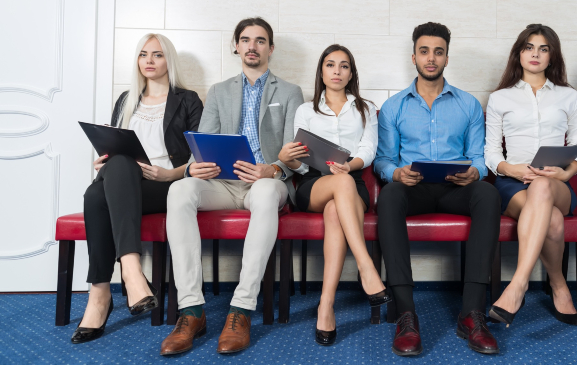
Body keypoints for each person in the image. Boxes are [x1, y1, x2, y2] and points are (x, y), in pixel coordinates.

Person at [160, 17, 304, 355]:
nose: (252, 46)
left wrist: (272, 169)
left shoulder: (290, 92)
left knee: (267, 191)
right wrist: (199, 164)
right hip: (224, 182)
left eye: (260, 40)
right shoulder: (219, 91)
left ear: (270, 48)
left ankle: (241, 309)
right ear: (236, 46)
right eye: (245, 40)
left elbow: (294, 151)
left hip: (267, 183)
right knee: (179, 190)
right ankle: (192, 310)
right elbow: (204, 142)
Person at [374, 22, 502, 356]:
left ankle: (471, 314)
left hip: (454, 188)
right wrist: (396, 173)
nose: (431, 58)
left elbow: (478, 157)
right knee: (388, 196)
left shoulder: (468, 105)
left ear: (447, 57)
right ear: (413, 56)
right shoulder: (394, 107)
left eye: (439, 51)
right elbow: (383, 160)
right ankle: (405, 312)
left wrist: (475, 172)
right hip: (413, 189)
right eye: (424, 51)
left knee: (489, 193)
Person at [71, 33, 202, 344]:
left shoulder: (188, 99)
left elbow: (201, 157)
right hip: (125, 182)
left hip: (166, 185)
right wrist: (105, 162)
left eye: (157, 55)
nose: (149, 61)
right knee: (112, 171)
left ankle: (102, 294)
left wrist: (169, 173)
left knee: (94, 196)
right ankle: (128, 273)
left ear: (168, 60)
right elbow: (116, 146)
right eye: (143, 55)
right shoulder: (126, 100)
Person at [278, 44, 390, 346]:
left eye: (343, 66)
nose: (337, 71)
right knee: (340, 184)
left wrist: (347, 165)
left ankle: (325, 306)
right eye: (330, 65)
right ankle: (366, 267)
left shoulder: (365, 107)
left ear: (351, 72)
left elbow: (367, 151)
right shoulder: (305, 109)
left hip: (353, 182)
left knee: (336, 208)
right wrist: (288, 158)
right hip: (315, 184)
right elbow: (299, 164)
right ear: (322, 71)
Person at [484, 24, 577, 327]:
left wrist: (564, 175)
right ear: (519, 53)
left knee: (544, 185)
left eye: (543, 48)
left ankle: (518, 284)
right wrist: (510, 168)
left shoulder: (569, 96)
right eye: (529, 47)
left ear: (552, 56)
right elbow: (490, 154)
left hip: (559, 184)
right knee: (552, 220)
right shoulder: (500, 98)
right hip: (512, 183)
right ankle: (558, 284)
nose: (535, 54)